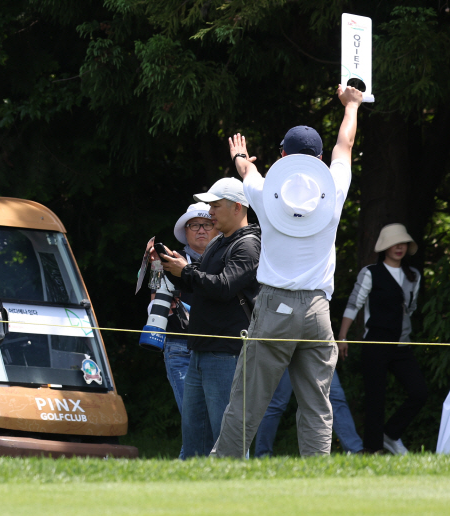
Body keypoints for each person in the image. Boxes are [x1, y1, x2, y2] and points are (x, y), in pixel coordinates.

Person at [212, 84, 364, 458]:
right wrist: (351, 106)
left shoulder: (266, 193)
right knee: (317, 406)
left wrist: (241, 155)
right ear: (319, 158)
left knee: (247, 400)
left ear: (282, 155)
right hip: (317, 312)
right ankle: (317, 478)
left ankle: (223, 468)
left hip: (274, 309)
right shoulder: (334, 191)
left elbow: (247, 169)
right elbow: (345, 145)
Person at [159, 179, 260, 459]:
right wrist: (170, 266)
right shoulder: (219, 243)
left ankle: (237, 488)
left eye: (215, 206)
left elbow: (224, 287)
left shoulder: (248, 245)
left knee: (227, 442)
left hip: (226, 353)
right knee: (194, 443)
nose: (210, 212)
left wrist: (186, 271)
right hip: (200, 351)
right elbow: (199, 285)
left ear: (237, 207)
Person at [339, 223, 427, 454]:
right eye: (394, 243)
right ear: (384, 247)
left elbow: (411, 308)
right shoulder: (370, 272)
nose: (399, 247)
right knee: (375, 398)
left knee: (419, 392)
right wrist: (342, 336)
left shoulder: (414, 275)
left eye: (403, 243)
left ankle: (390, 434)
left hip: (402, 344)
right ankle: (372, 450)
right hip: (375, 342)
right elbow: (354, 304)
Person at [144, 203, 217, 415]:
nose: (201, 230)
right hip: (179, 345)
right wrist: (156, 266)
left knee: (222, 418)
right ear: (185, 231)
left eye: (207, 224)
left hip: (219, 347)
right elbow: (154, 307)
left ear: (218, 228)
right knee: (193, 417)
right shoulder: (166, 261)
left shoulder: (228, 261)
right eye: (194, 225)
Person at [254, 369, 364, 456]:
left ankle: (355, 450)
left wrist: (339, 344)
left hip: (316, 348)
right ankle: (262, 455)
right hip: (286, 348)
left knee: (335, 397)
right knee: (277, 403)